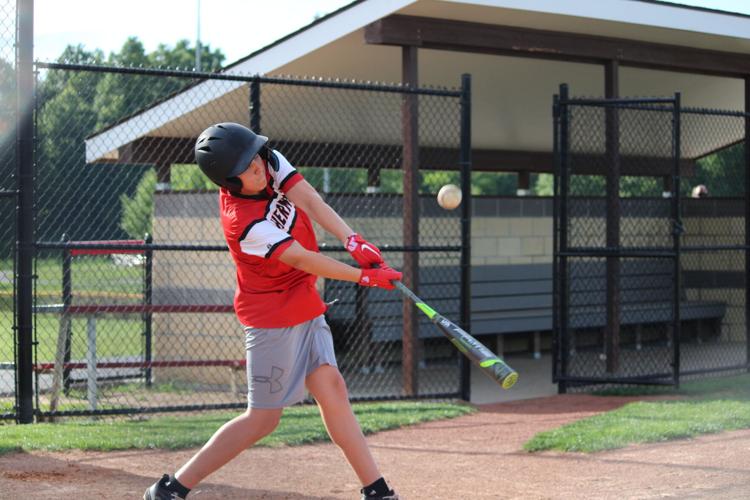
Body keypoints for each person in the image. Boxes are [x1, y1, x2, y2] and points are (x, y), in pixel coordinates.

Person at [144, 122, 402, 500]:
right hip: (271, 318)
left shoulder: (266, 161)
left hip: (303, 300)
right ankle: (171, 488)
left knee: (332, 387)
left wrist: (351, 238)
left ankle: (376, 490)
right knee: (263, 419)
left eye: (257, 160)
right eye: (246, 171)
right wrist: (362, 277)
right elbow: (302, 258)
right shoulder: (243, 223)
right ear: (230, 184)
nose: (257, 170)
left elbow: (310, 200)